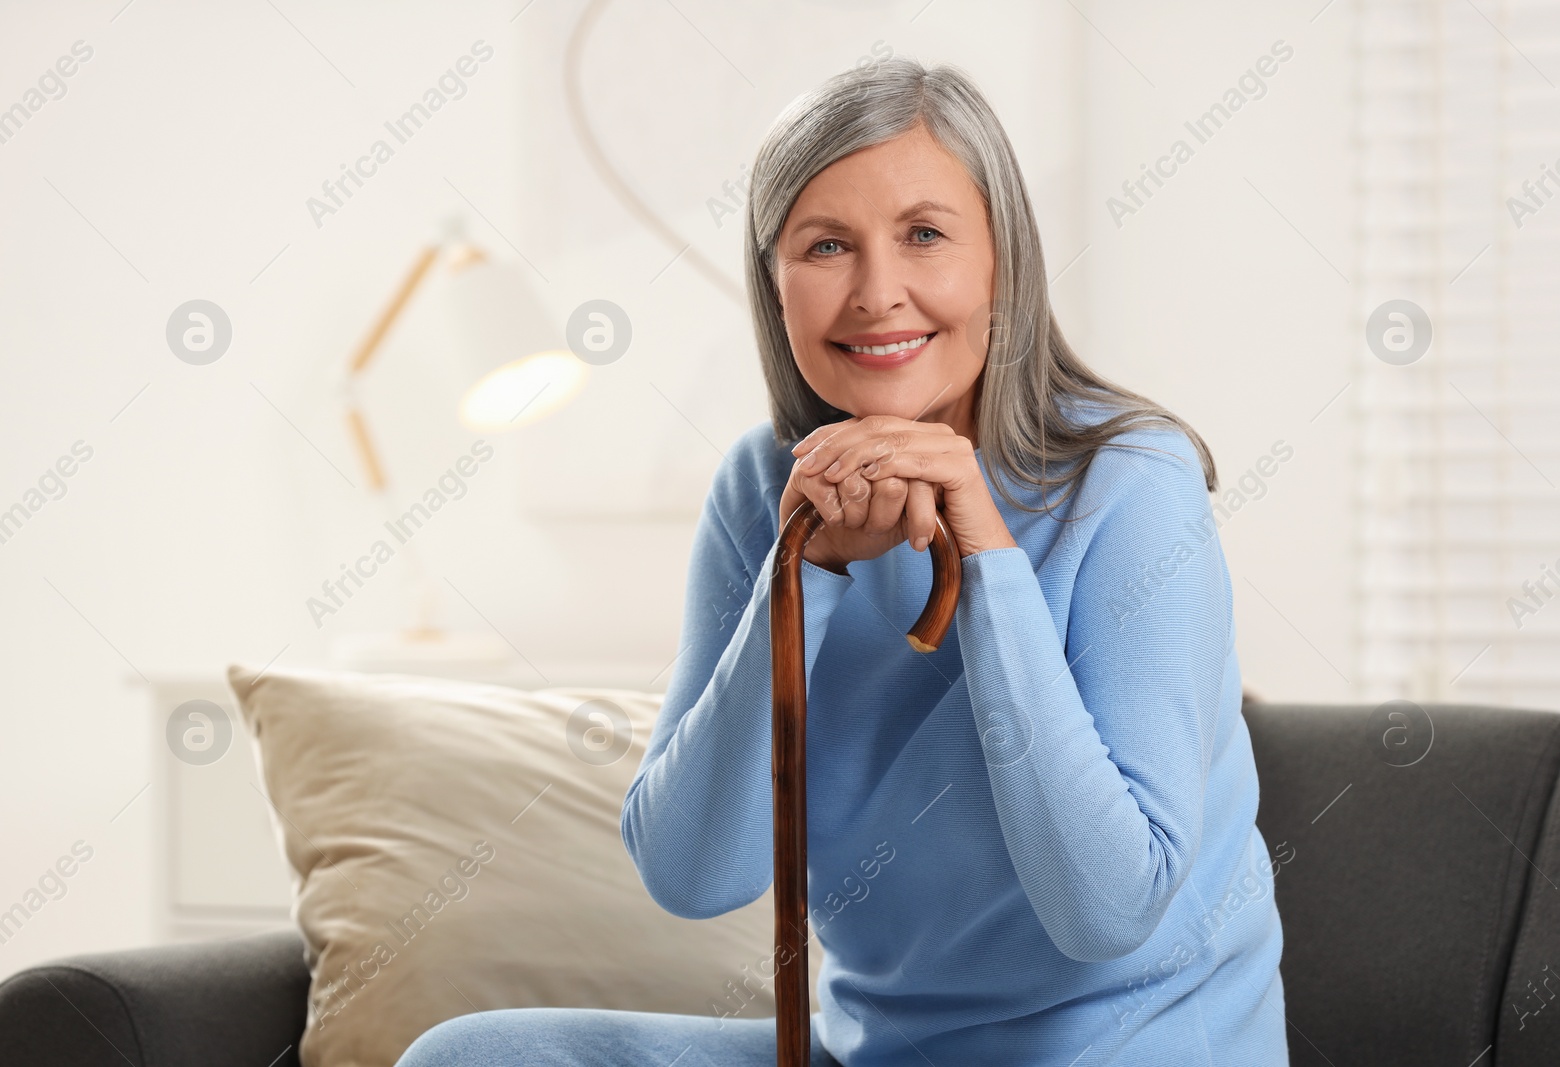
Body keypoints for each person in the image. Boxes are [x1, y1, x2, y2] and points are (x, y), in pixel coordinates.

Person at [397, 56, 1289, 1067]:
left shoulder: (1128, 481)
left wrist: (985, 552)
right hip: (872, 1052)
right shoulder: (759, 487)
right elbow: (695, 871)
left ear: (1001, 261)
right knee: (468, 1057)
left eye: (923, 235)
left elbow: (1109, 907)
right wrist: (805, 574)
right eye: (826, 245)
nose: (876, 293)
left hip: (1124, 1051)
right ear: (775, 284)